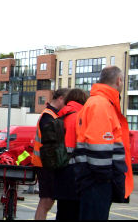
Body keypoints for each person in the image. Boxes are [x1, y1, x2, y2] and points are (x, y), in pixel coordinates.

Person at [74, 66, 134, 220]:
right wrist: (107, 178)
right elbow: (99, 147)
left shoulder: (98, 102)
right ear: (119, 80)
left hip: (94, 179)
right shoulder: (101, 105)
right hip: (98, 181)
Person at [31, 88, 69, 220]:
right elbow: (51, 143)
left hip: (44, 163)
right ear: (61, 99)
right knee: (46, 201)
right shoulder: (49, 116)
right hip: (45, 164)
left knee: (47, 201)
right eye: (67, 102)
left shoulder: (50, 114)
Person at [54, 88, 89, 220]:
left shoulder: (61, 115)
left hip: (60, 169)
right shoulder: (81, 116)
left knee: (62, 211)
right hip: (76, 172)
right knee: (75, 212)